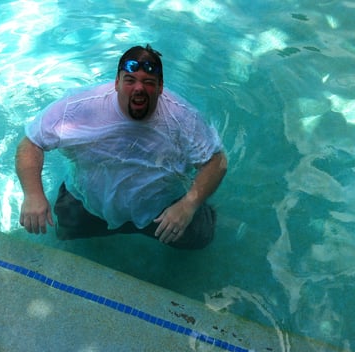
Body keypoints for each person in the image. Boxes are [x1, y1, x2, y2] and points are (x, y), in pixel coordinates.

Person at [15, 44, 227, 249]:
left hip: (162, 209)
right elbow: (31, 143)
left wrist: (188, 205)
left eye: (148, 82)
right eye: (130, 80)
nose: (139, 88)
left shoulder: (181, 118)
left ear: (161, 87)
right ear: (116, 82)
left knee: (201, 238)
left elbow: (216, 162)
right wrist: (33, 194)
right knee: (66, 236)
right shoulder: (79, 108)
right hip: (88, 202)